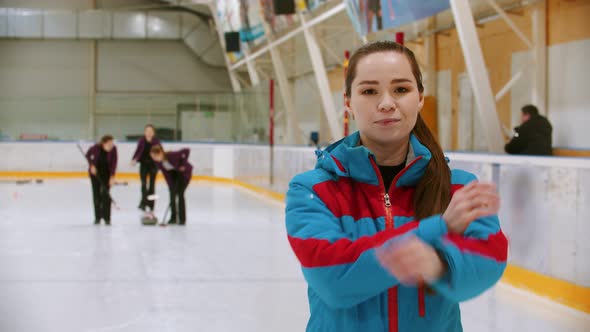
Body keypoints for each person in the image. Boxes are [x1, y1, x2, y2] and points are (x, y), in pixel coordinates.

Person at [285, 41, 508, 332]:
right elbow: (333, 278)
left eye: (401, 89)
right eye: (369, 91)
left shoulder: (458, 187)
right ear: (349, 102)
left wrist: (440, 266)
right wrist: (437, 229)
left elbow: (488, 261)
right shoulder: (313, 190)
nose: (387, 103)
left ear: (420, 98)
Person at [150, 145, 192, 225]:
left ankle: (182, 219)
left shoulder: (171, 155)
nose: (154, 158)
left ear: (161, 153)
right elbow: (167, 175)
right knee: (172, 196)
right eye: (152, 157)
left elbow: (186, 150)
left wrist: (183, 164)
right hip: (174, 176)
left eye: (155, 156)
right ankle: (173, 218)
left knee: (180, 194)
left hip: (183, 174)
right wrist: (170, 186)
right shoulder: (159, 163)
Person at [86, 135, 118, 225]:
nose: (111, 145)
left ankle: (107, 218)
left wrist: (112, 177)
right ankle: (97, 217)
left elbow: (114, 162)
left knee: (106, 195)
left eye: (112, 143)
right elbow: (88, 155)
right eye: (109, 144)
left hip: (107, 174)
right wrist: (91, 166)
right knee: (96, 195)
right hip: (95, 174)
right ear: (104, 143)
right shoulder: (95, 148)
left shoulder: (114, 149)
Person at [131, 124, 161, 212]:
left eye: (150, 131)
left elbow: (160, 152)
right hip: (143, 165)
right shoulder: (141, 140)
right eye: (147, 131)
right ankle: (144, 203)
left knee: (152, 186)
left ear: (153, 133)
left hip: (153, 165)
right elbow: (138, 151)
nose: (148, 133)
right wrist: (134, 159)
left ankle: (151, 204)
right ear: (145, 132)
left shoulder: (156, 141)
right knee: (144, 184)